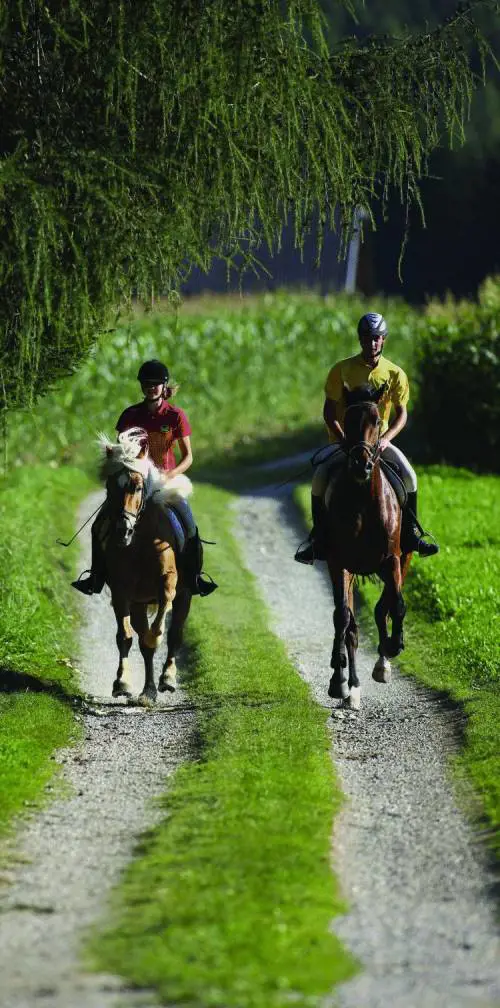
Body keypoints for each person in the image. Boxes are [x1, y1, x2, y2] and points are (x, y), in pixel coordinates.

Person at [295, 312, 439, 564]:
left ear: (383, 340)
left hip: (378, 443)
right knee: (319, 478)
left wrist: (386, 439)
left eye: (376, 339)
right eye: (366, 338)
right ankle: (317, 539)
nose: (371, 344)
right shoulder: (341, 370)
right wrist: (342, 440)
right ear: (360, 339)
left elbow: (401, 415)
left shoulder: (395, 374)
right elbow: (329, 412)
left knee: (410, 476)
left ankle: (411, 535)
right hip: (345, 444)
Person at [72, 358, 218, 597]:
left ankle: (194, 577)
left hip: (165, 482)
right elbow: (120, 454)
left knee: (189, 524)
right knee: (100, 524)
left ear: (164, 385)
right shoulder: (130, 415)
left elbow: (188, 457)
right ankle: (96, 576)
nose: (151, 387)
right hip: (135, 482)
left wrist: (169, 473)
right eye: (146, 383)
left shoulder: (176, 416)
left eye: (156, 383)